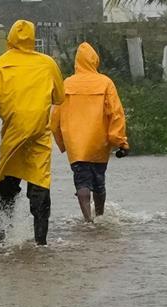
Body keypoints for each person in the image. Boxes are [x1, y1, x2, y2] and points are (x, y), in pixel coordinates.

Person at [0, 19, 64, 245]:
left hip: (13, 129)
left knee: (8, 177)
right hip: (40, 131)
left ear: (10, 37)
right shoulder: (48, 63)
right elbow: (59, 97)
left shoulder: (2, 63)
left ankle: (2, 234)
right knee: (40, 180)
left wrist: (10, 114)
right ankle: (41, 240)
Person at [51, 42, 129, 224]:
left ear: (76, 62)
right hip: (99, 142)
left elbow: (54, 119)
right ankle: (100, 216)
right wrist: (120, 141)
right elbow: (116, 114)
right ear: (95, 60)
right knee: (99, 181)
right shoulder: (105, 83)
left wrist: (63, 143)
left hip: (76, 145)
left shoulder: (67, 84)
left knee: (81, 182)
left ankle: (88, 220)